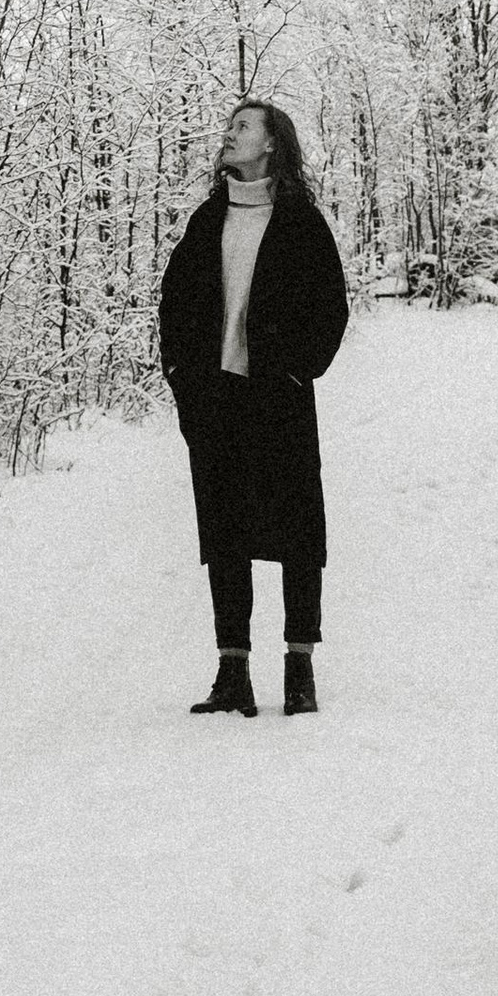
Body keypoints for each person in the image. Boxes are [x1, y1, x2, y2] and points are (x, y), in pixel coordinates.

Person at [156, 99, 349, 716]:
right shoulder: (208, 220)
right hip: (216, 399)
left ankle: (299, 667)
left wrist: (297, 371)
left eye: (243, 127)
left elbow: (330, 310)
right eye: (230, 127)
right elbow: (175, 305)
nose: (229, 134)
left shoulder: (300, 222)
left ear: (271, 144)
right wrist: (183, 378)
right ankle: (232, 672)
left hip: (278, 397)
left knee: (297, 530)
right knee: (225, 531)